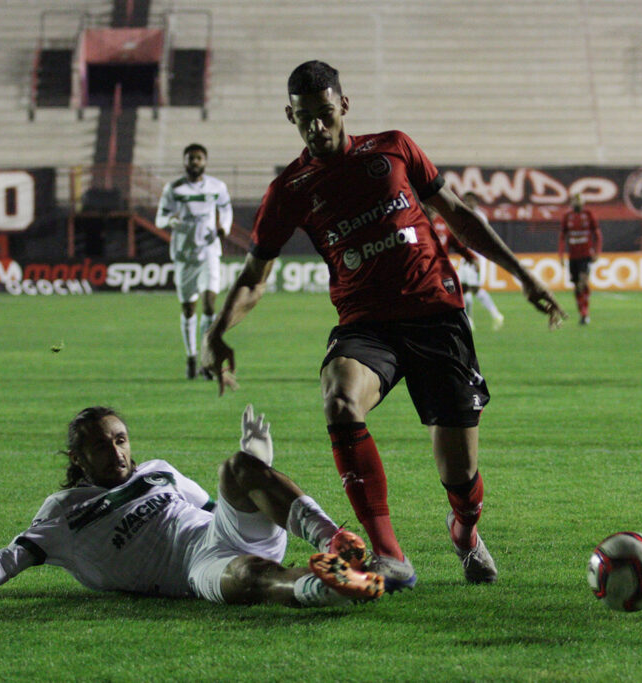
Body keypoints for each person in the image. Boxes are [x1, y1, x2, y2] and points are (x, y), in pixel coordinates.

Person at [203, 61, 566, 591]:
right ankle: (389, 555)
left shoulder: (394, 148)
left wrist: (525, 275)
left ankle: (464, 532)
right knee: (339, 397)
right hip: (366, 324)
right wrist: (218, 332)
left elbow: (458, 214)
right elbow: (255, 277)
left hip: (437, 318)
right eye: (304, 119)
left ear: (344, 106)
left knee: (460, 478)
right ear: (290, 116)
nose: (316, 128)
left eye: (325, 114)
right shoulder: (290, 189)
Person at [0, 405, 383, 608]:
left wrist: (258, 471)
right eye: (102, 445)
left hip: (217, 533)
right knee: (251, 577)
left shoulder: (158, 471)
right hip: (196, 567)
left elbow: (217, 505)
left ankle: (334, 541)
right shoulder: (62, 513)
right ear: (78, 457)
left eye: (121, 439)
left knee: (238, 466)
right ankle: (334, 586)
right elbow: (2, 562)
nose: (118, 451)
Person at [155, 143, 234, 380]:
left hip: (209, 251)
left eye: (199, 158)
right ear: (185, 161)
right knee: (189, 308)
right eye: (191, 158)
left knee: (210, 305)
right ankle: (190, 355)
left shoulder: (217, 187)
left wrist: (224, 228)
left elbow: (226, 210)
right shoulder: (174, 189)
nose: (195, 162)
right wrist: (171, 221)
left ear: (205, 161)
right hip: (184, 255)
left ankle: (206, 358)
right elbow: (159, 218)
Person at [456, 192, 505, 330]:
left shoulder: (480, 216)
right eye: (465, 200)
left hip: (476, 256)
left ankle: (493, 315)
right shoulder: (462, 215)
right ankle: (470, 320)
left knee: (474, 288)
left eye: (470, 200)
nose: (467, 203)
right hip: (466, 257)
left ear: (476, 202)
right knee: (464, 288)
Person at [558, 193, 602, 325]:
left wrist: (597, 252)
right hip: (573, 257)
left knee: (583, 282)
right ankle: (581, 310)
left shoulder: (588, 215)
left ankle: (585, 312)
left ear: (582, 202)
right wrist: (561, 255)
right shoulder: (567, 216)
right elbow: (562, 236)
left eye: (578, 200)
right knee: (577, 287)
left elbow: (597, 234)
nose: (576, 203)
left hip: (586, 256)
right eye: (574, 201)